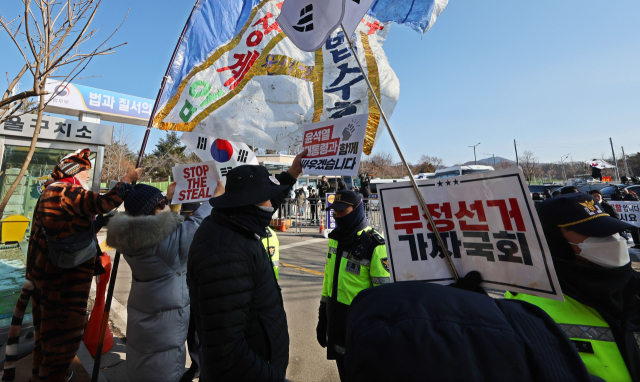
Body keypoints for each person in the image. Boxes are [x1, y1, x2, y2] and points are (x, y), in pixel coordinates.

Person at [1, 149, 141, 382]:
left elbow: (68, 232)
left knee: (45, 339)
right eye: (86, 172)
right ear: (75, 171)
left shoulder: (52, 191)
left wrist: (99, 224)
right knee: (60, 341)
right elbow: (104, 202)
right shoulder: (63, 190)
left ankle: (40, 375)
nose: (88, 176)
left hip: (46, 279)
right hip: (62, 284)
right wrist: (126, 180)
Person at [187, 150, 307, 382]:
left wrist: (292, 172)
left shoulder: (234, 222)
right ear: (248, 202)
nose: (271, 204)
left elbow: (269, 201)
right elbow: (228, 352)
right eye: (266, 198)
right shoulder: (225, 252)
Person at [506, 193, 640, 382]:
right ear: (552, 241)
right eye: (594, 233)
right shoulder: (528, 304)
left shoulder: (633, 284)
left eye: (611, 230)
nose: (613, 239)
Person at [105, 181, 222, 382]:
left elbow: (164, 225)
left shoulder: (129, 237)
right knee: (163, 370)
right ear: (158, 207)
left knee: (143, 364)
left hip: (143, 317)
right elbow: (198, 223)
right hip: (165, 329)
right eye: (163, 203)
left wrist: (169, 200)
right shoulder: (170, 244)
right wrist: (215, 200)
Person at [316, 190, 390, 380]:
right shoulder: (335, 238)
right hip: (337, 320)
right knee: (344, 371)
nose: (338, 216)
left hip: (362, 325)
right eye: (335, 212)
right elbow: (328, 279)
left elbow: (385, 296)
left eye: (342, 211)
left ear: (357, 209)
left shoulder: (375, 244)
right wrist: (323, 313)